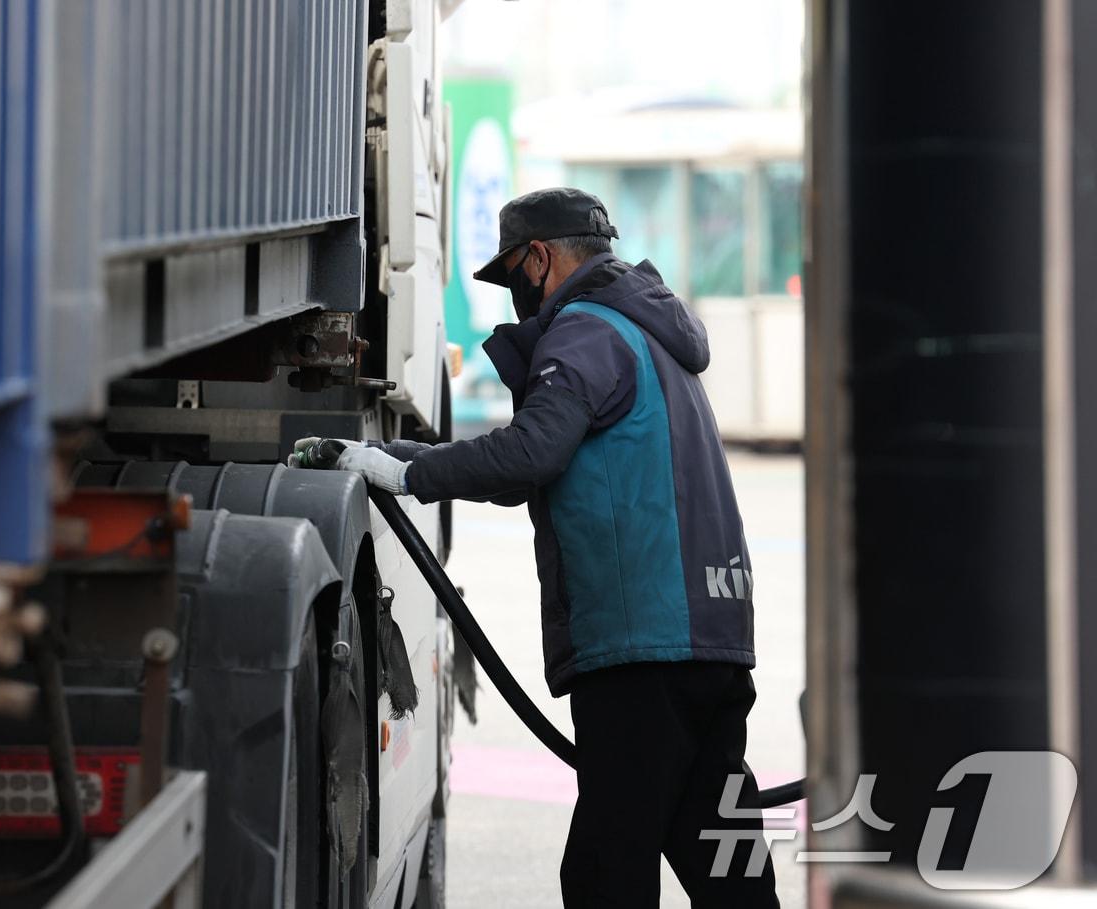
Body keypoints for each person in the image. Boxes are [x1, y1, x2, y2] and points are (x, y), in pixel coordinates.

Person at [295, 188, 779, 907]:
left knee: (603, 876)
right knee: (729, 875)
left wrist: (403, 470)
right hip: (712, 644)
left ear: (541, 258)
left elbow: (530, 452)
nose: (516, 295)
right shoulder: (650, 335)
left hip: (642, 653)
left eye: (514, 272)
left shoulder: (585, 330)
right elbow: (545, 464)